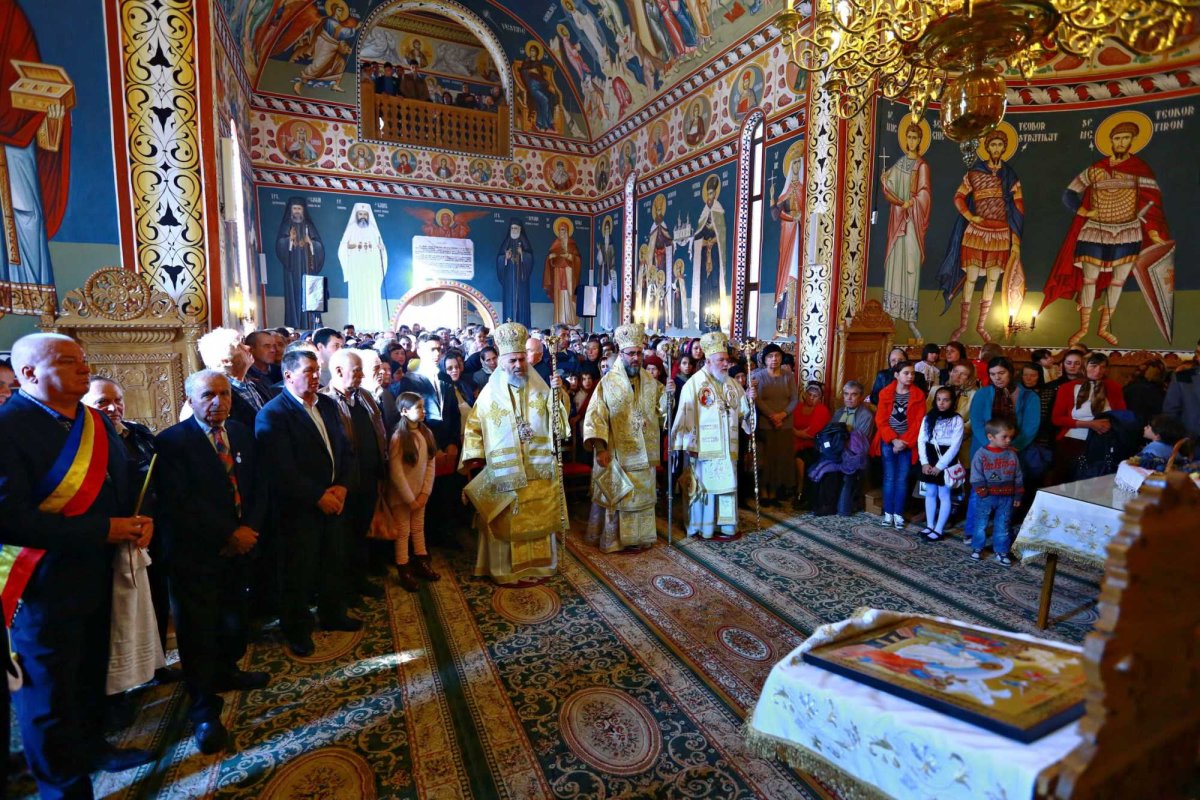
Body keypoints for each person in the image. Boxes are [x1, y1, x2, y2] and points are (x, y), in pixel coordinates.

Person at [0, 333, 154, 799]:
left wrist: (138, 521)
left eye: (84, 361)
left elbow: (119, 486)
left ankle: (92, 748)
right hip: (40, 585)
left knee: (89, 674)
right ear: (29, 373)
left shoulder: (93, 421)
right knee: (47, 697)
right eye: (69, 362)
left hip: (96, 573)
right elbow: (10, 519)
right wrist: (102, 530)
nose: (84, 369)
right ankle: (62, 787)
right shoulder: (8, 428)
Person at [155, 370, 268, 754]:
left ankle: (228, 670)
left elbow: (257, 485)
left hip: (241, 549)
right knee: (198, 632)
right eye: (208, 395)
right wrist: (227, 535)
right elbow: (179, 503)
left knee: (234, 618)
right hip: (196, 556)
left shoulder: (239, 432)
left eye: (223, 394)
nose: (218, 402)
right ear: (191, 398)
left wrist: (250, 528)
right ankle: (203, 708)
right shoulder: (172, 442)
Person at [255, 349, 359, 658]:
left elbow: (343, 448)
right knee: (297, 572)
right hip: (298, 509)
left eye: (317, 371)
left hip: (334, 499)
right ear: (288, 376)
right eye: (308, 372)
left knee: (332, 559)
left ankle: (332, 613)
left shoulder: (326, 404)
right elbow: (280, 468)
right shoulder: (273, 413)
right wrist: (317, 496)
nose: (316, 377)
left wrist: (341, 485)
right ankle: (297, 629)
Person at [1041, 117, 1172, 346]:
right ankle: (1082, 328)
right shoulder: (1096, 169)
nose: (1121, 143)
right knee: (1089, 279)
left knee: (1118, 281)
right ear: (1111, 141)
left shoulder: (1139, 169)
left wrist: (1152, 232)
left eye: (1125, 139)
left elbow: (1152, 202)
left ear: (1132, 142)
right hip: (1095, 230)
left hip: (1127, 230)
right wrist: (1083, 211)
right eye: (1117, 138)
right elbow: (1069, 194)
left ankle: (1103, 328)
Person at [82, 377, 169, 708]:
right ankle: (117, 691)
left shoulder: (140, 434)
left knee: (157, 600)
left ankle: (156, 664)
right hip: (111, 536)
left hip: (149, 530)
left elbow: (157, 481)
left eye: (117, 400)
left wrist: (150, 520)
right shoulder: (83, 445)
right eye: (102, 402)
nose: (112, 408)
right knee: (117, 617)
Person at [459, 322, 568, 584]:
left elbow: (559, 425)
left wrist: (558, 393)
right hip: (505, 468)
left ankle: (539, 566)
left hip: (538, 465)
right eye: (512, 361)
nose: (518, 365)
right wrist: (475, 459)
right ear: (501, 362)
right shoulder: (489, 394)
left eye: (521, 359)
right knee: (507, 519)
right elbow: (474, 426)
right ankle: (506, 570)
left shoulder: (542, 387)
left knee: (538, 515)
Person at [582, 323, 671, 552]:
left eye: (639, 353)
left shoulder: (652, 383)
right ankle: (616, 540)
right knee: (620, 498)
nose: (636, 358)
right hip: (618, 452)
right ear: (621, 354)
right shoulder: (607, 383)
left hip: (644, 453)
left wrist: (668, 396)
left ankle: (640, 538)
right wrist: (600, 448)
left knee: (641, 498)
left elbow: (662, 414)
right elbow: (595, 417)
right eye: (631, 354)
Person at [937, 127, 1025, 344]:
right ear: (987, 147)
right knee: (972, 277)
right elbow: (958, 197)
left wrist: (1015, 238)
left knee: (993, 279)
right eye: (993, 144)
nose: (996, 148)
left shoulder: (1010, 176)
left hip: (1001, 233)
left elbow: (1018, 206)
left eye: (1000, 145)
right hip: (977, 231)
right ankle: (964, 325)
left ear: (1005, 148)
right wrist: (970, 216)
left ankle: (981, 326)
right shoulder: (974, 172)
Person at [670, 331, 758, 539]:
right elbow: (684, 415)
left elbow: (745, 415)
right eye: (721, 360)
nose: (726, 364)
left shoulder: (732, 385)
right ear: (708, 361)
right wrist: (689, 445)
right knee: (705, 490)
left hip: (728, 449)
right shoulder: (694, 384)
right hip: (702, 450)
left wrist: (750, 399)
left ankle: (726, 527)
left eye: (727, 360)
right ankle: (704, 527)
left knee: (726, 487)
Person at [321, 350, 388, 601]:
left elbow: (379, 430)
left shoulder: (366, 397)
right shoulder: (324, 402)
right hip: (343, 483)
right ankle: (345, 588)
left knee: (362, 532)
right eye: (357, 370)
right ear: (338, 372)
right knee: (342, 538)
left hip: (369, 477)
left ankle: (360, 579)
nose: (362, 375)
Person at [880, 120, 932, 340]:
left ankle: (910, 319)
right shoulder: (900, 163)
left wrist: (913, 202)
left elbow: (925, 194)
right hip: (898, 221)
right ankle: (891, 314)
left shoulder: (922, 166)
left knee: (910, 265)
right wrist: (885, 180)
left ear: (920, 140)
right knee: (895, 262)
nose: (912, 141)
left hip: (913, 222)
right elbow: (888, 185)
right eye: (909, 137)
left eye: (915, 137)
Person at [386, 392, 440, 591]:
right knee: (403, 531)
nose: (423, 411)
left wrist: (424, 493)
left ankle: (421, 562)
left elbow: (430, 465)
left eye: (423, 406)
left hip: (420, 495)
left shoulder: (426, 433)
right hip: (403, 497)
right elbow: (397, 473)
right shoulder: (399, 437)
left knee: (418, 528)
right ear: (404, 411)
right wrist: (410, 499)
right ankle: (404, 568)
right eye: (418, 407)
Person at [1051, 352, 1127, 482]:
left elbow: (1122, 416)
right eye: (1093, 366)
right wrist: (1089, 424)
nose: (1098, 371)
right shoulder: (1067, 388)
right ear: (1084, 366)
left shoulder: (1113, 387)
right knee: (1067, 481)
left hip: (1102, 442)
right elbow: (1057, 419)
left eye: (1103, 367)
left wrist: (1109, 424)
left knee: (1096, 482)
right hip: (1073, 441)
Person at [873, 360, 926, 531]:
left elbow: (918, 423)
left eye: (912, 373)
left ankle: (898, 513)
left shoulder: (918, 395)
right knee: (889, 477)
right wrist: (893, 440)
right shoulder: (885, 393)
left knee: (902, 479)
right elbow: (880, 420)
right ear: (896, 375)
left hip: (907, 443)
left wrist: (904, 442)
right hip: (889, 442)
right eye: (906, 373)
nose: (910, 376)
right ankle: (888, 513)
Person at [811, 381, 875, 516]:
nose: (849, 398)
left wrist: (841, 437)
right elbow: (830, 434)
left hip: (855, 456)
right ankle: (824, 505)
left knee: (844, 471)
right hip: (837, 452)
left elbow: (860, 444)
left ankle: (842, 508)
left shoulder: (866, 415)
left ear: (861, 396)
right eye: (846, 394)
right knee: (819, 466)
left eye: (853, 395)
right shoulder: (839, 412)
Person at [968, 418, 1024, 565]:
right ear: (990, 437)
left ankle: (1001, 550)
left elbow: (1018, 475)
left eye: (1010, 437)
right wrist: (982, 492)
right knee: (981, 524)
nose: (1008, 440)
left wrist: (1018, 494)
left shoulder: (1012, 454)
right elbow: (976, 475)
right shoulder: (981, 454)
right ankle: (977, 548)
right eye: (1004, 437)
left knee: (1003, 525)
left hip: (1007, 497)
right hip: (987, 496)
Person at [749, 343, 799, 507]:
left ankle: (776, 492)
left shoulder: (788, 376)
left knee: (781, 459)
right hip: (766, 423)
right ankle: (764, 492)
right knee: (766, 459)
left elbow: (794, 399)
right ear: (765, 359)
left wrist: (782, 415)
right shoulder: (758, 376)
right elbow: (757, 399)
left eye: (777, 356)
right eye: (770, 356)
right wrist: (772, 416)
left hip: (784, 424)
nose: (774, 359)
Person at [968, 357, 1040, 459]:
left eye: (1001, 373)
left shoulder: (1029, 396)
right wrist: (990, 445)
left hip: (1016, 450)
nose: (997, 378)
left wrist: (1015, 445)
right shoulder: (982, 394)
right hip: (985, 448)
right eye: (992, 374)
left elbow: (1031, 426)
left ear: (1010, 372)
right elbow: (977, 422)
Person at [918, 386, 965, 542]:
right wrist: (924, 462)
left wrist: (940, 466)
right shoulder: (928, 417)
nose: (941, 403)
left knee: (943, 495)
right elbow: (921, 440)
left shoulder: (956, 419)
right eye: (939, 399)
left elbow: (955, 446)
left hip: (945, 460)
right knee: (929, 493)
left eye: (946, 400)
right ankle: (930, 525)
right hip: (929, 457)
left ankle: (939, 529)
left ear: (952, 401)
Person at [196, 327, 267, 427]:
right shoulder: (215, 394)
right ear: (225, 361)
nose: (248, 347)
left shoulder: (255, 382)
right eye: (239, 346)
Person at [274, 197, 325, 329]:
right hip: (292, 269)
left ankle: (311, 324)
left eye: (299, 209)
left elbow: (319, 246)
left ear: (303, 211)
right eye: (294, 208)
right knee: (294, 295)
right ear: (291, 210)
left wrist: (311, 243)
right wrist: (289, 241)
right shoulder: (286, 226)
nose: (297, 211)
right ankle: (294, 324)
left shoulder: (309, 226)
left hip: (308, 268)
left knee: (309, 294)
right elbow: (280, 245)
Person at [337, 203, 389, 331]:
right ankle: (357, 326)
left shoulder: (373, 229)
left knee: (372, 296)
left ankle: (375, 326)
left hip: (371, 269)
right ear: (356, 215)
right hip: (356, 268)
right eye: (360, 214)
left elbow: (382, 250)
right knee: (357, 296)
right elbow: (342, 248)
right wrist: (350, 247)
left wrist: (381, 250)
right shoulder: (351, 228)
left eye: (365, 214)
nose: (363, 216)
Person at [496, 220, 534, 327]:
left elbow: (530, 259)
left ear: (520, 230)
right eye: (512, 228)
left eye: (516, 228)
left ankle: (523, 326)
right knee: (509, 304)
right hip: (509, 283)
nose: (514, 230)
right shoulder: (506, 242)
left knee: (521, 304)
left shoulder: (524, 243)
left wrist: (523, 254)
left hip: (522, 283)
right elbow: (499, 259)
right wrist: (505, 258)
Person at [1165, 337, 1200, 439]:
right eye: (1198, 353)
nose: (1198, 358)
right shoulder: (1183, 377)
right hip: (1192, 445)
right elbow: (1170, 413)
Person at [245, 330, 281, 400]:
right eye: (267, 346)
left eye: (274, 346)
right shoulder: (246, 376)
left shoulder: (281, 371)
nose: (273, 350)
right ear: (251, 349)